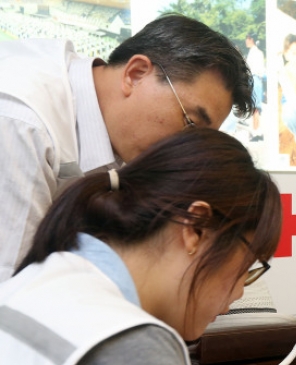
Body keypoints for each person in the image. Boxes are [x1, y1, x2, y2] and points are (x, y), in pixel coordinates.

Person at [0, 127, 282, 365]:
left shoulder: (40, 277)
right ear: (196, 228)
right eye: (246, 267)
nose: (240, 293)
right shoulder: (132, 347)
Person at [0, 13, 254, 283]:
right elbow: (10, 289)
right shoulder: (23, 121)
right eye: (190, 124)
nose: (185, 149)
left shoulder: (119, 135)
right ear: (136, 73)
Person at [245, 33, 265, 131]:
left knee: (255, 108)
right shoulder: (255, 52)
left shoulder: (255, 52)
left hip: (255, 79)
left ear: (251, 39)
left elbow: (255, 70)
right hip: (254, 79)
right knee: (254, 108)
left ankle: (256, 131)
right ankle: (255, 130)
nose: (246, 41)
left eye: (247, 39)